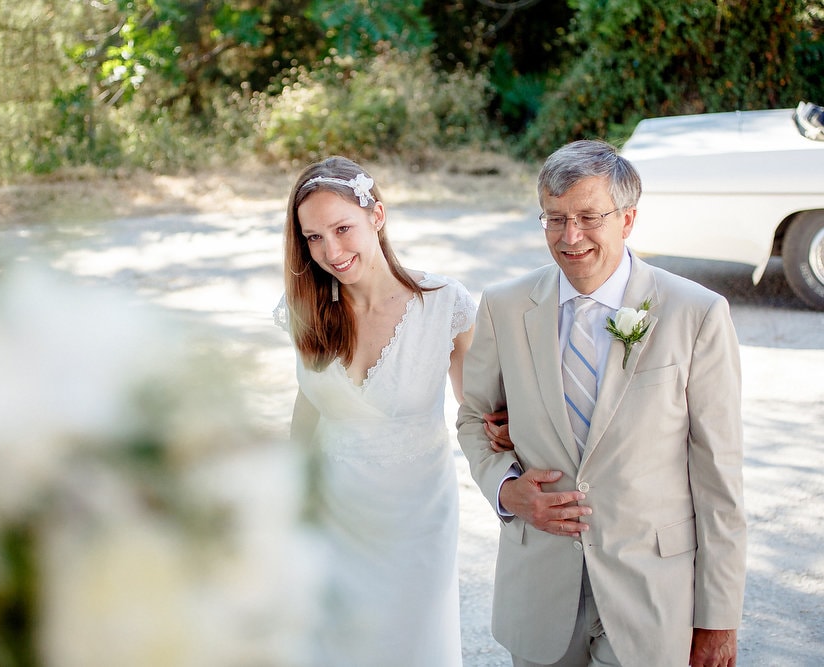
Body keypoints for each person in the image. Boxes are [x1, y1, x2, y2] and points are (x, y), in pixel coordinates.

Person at [456, 140, 746, 667]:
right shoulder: (504, 305)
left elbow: (718, 475)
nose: (571, 237)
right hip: (540, 588)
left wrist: (719, 617)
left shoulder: (696, 313)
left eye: (589, 217)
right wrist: (506, 489)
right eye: (555, 219)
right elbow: (476, 417)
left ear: (627, 219)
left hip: (651, 594)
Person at [274, 156, 498, 667]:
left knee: (412, 645)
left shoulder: (443, 304)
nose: (331, 251)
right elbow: (309, 406)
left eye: (342, 229)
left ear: (377, 215)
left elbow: (482, 409)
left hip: (416, 516)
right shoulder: (306, 307)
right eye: (313, 238)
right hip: (332, 513)